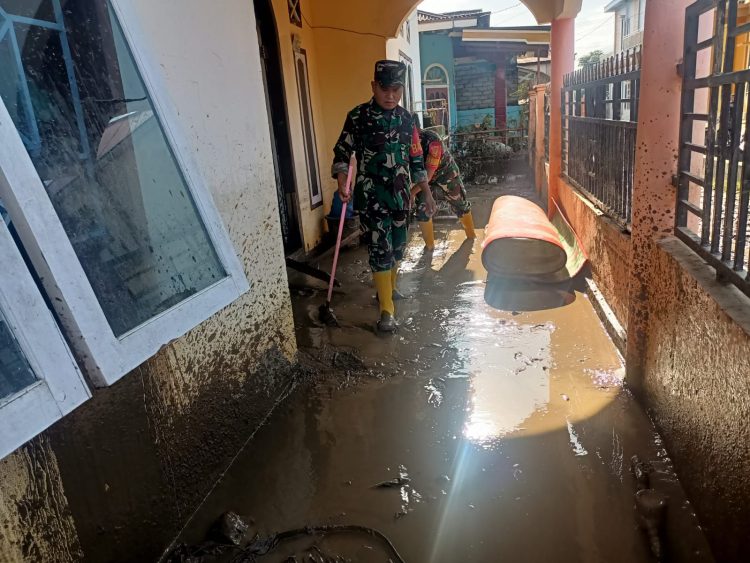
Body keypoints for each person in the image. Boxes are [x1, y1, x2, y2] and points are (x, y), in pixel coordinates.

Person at [332, 60, 436, 333]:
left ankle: (387, 290)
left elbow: (416, 159)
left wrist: (426, 193)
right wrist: (343, 180)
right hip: (371, 197)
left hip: (402, 197)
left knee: (398, 247)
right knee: (380, 250)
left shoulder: (407, 119)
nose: (390, 96)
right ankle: (387, 311)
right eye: (384, 89)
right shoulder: (358, 117)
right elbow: (342, 154)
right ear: (373, 87)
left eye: (396, 89)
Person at [411, 115, 476, 250]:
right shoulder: (403, 142)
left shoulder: (432, 141)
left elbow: (428, 176)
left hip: (446, 174)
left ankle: (471, 237)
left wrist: (410, 193)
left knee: (460, 205)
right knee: (422, 210)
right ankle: (429, 248)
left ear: (416, 128)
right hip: (425, 180)